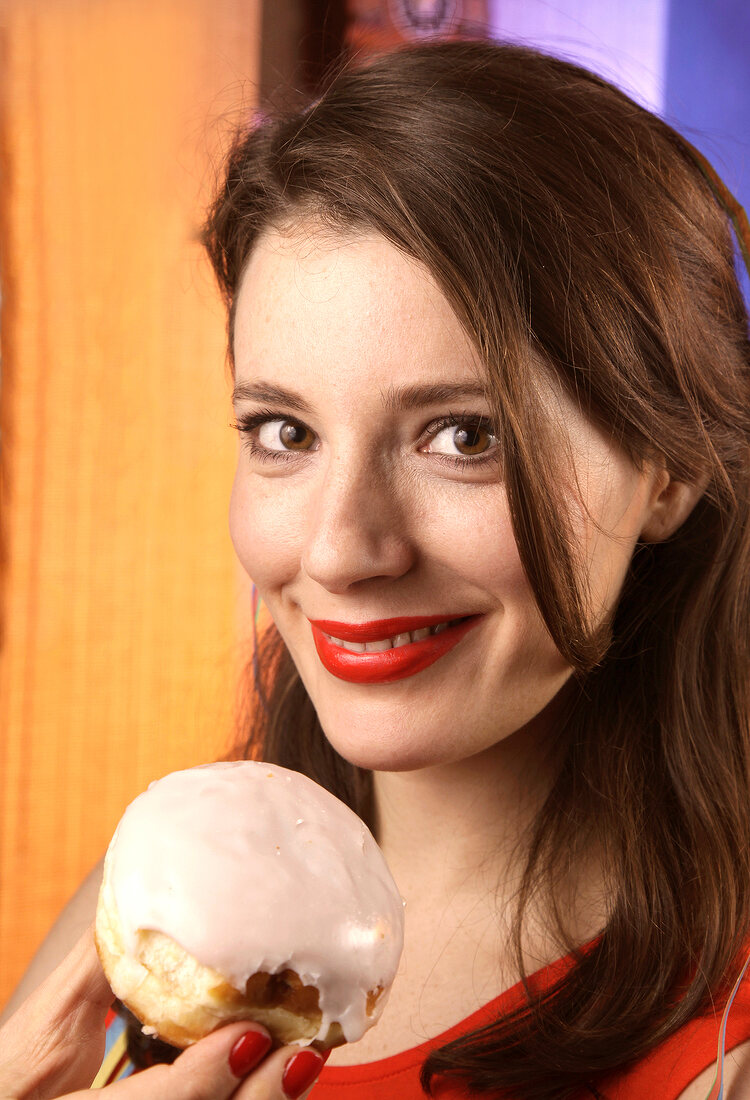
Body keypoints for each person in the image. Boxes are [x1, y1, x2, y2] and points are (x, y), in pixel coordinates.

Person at [2, 38, 750, 1100]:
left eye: (462, 436)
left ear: (665, 469)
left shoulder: (724, 1045)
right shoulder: (163, 904)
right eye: (284, 431)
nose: (342, 550)